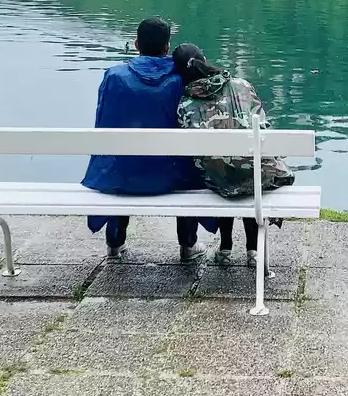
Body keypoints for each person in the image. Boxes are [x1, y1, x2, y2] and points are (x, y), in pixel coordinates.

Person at [82, 17, 210, 262]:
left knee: (119, 158)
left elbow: (104, 127)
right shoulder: (181, 77)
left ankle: (115, 243)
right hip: (172, 175)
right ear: (166, 47)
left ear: (136, 44)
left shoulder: (114, 76)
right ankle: (188, 244)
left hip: (125, 174)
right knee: (187, 162)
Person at [172, 43, 294, 267]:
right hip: (257, 175)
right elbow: (263, 128)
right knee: (250, 166)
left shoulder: (185, 104)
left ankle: (225, 247)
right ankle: (253, 250)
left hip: (218, 182)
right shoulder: (241, 85)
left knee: (221, 168)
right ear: (204, 60)